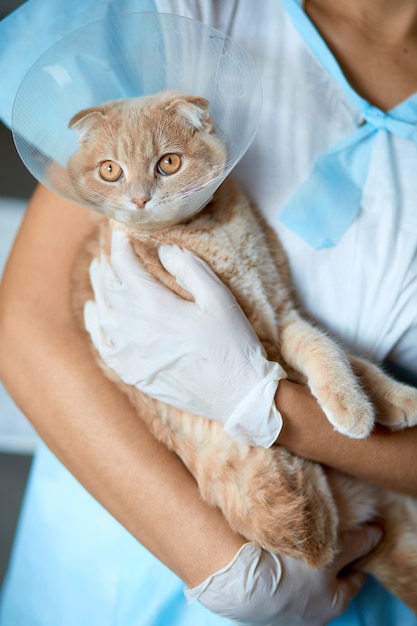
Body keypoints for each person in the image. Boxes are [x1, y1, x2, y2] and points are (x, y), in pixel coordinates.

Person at [0, 0, 416, 624]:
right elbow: (28, 323)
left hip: (350, 559)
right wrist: (224, 566)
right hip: (125, 524)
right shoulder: (201, 14)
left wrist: (267, 407)